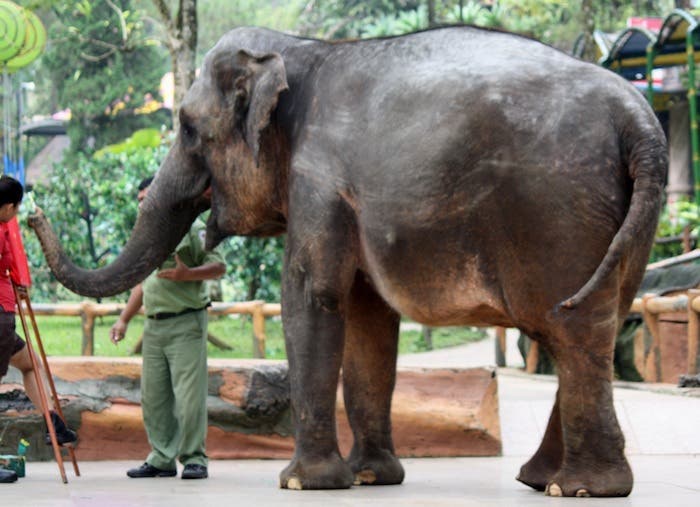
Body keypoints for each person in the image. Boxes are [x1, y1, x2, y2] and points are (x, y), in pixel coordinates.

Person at [110, 176, 225, 480]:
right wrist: (124, 319)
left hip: (186, 321)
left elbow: (219, 266)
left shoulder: (193, 227)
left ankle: (194, 459)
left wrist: (188, 275)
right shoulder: (147, 236)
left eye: (146, 197)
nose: (141, 204)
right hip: (154, 325)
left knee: (189, 398)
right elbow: (143, 282)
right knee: (154, 398)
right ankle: (161, 458)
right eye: (138, 199)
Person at [0, 175, 77, 484]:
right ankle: (52, 422)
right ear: (7, 207)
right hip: (1, 315)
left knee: (30, 362)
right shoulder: (3, 228)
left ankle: (52, 422)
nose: (15, 215)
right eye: (15, 210)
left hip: (3, 314)